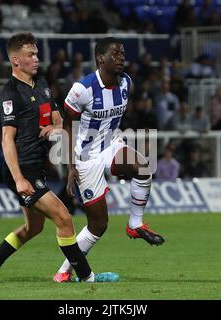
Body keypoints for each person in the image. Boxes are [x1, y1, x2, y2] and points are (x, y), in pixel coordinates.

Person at [0, 32, 118, 284]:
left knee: (33, 228)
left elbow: (58, 119)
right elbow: (7, 139)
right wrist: (18, 179)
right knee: (64, 218)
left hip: (37, 168)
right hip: (23, 170)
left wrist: (56, 127)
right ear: (16, 61)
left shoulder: (41, 87)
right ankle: (86, 276)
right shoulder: (10, 93)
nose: (37, 58)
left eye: (37, 53)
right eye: (31, 55)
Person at [55, 37, 165, 283]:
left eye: (122, 53)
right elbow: (67, 126)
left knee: (143, 166)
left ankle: (135, 224)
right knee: (99, 224)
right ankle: (64, 271)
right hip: (85, 157)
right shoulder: (82, 89)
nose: (121, 58)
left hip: (110, 144)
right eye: (115, 54)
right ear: (100, 59)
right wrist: (70, 165)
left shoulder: (126, 83)